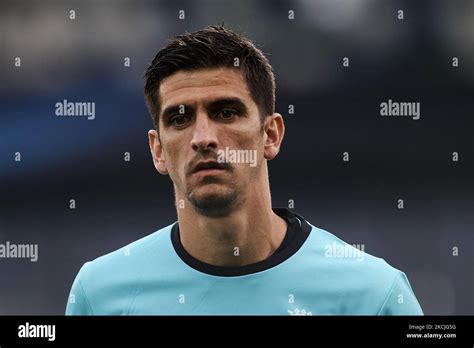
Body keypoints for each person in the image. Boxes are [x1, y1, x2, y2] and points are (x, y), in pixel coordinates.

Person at [66, 25, 423, 315]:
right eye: (179, 118)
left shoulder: (373, 295)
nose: (203, 138)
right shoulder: (100, 293)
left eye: (225, 112)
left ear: (271, 134)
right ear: (157, 150)